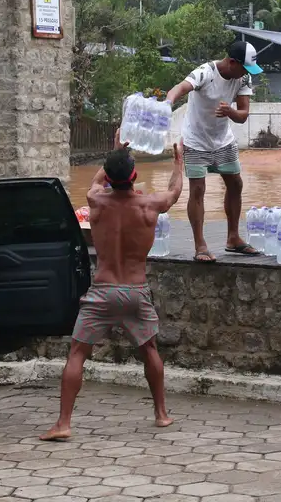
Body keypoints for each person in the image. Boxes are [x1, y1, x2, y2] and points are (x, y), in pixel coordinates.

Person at [41, 137, 184, 441]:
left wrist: (117, 150)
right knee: (149, 350)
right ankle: (161, 414)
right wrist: (179, 161)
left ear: (109, 177)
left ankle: (64, 422)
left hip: (102, 292)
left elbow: (96, 181)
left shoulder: (96, 201)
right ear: (134, 177)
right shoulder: (149, 205)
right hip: (135, 291)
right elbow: (174, 191)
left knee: (78, 353)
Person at [165, 40, 262, 263]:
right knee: (198, 189)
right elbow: (180, 88)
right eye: (245, 68)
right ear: (232, 62)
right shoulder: (205, 73)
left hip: (223, 141)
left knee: (236, 183)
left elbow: (244, 114)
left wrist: (230, 111)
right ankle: (200, 245)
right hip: (196, 140)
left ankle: (233, 238)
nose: (247, 74)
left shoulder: (243, 78)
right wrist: (167, 103)